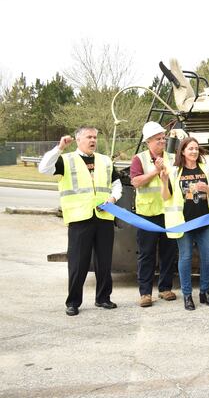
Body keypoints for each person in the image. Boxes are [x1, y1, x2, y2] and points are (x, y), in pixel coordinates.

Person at [39, 127, 122, 316]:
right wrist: (59, 148)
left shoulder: (105, 160)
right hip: (79, 218)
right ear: (78, 140)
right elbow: (43, 168)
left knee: (104, 262)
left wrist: (113, 198)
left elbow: (116, 184)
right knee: (78, 263)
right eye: (89, 137)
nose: (93, 140)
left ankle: (103, 298)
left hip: (104, 217)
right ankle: (73, 302)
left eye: (95, 137)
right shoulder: (67, 160)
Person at [161, 137, 209, 310]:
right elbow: (165, 197)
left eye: (196, 148)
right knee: (186, 258)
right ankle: (187, 295)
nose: (194, 151)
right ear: (182, 151)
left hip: (205, 221)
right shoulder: (173, 171)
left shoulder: (207, 169)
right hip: (184, 223)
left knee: (208, 258)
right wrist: (164, 181)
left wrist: (206, 189)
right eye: (190, 149)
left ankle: (205, 292)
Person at [129, 121, 178, 308]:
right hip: (147, 214)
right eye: (158, 139)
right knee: (146, 254)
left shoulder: (172, 158)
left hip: (169, 213)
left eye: (163, 138)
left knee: (169, 253)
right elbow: (136, 182)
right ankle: (145, 293)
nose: (162, 142)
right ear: (148, 141)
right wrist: (155, 172)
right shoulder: (138, 159)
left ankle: (165, 289)